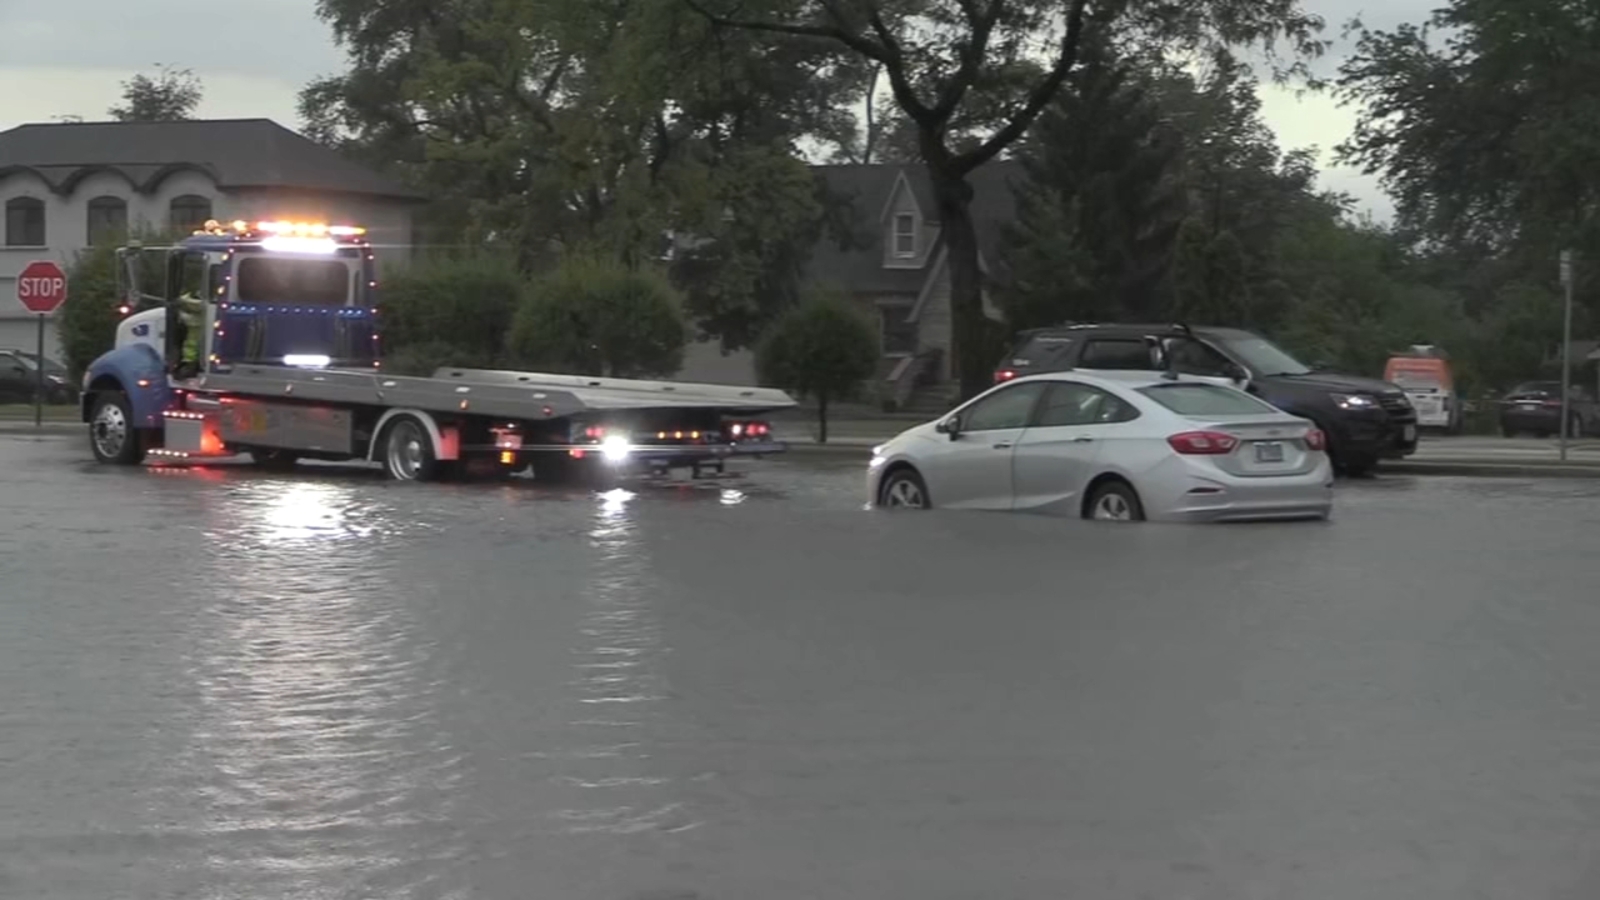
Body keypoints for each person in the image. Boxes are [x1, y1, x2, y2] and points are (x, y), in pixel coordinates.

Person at [174, 290, 205, 378]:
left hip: (191, 353)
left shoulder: (197, 316)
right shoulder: (201, 315)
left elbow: (187, 318)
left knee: (191, 352)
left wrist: (178, 310)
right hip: (195, 348)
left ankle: (189, 369)